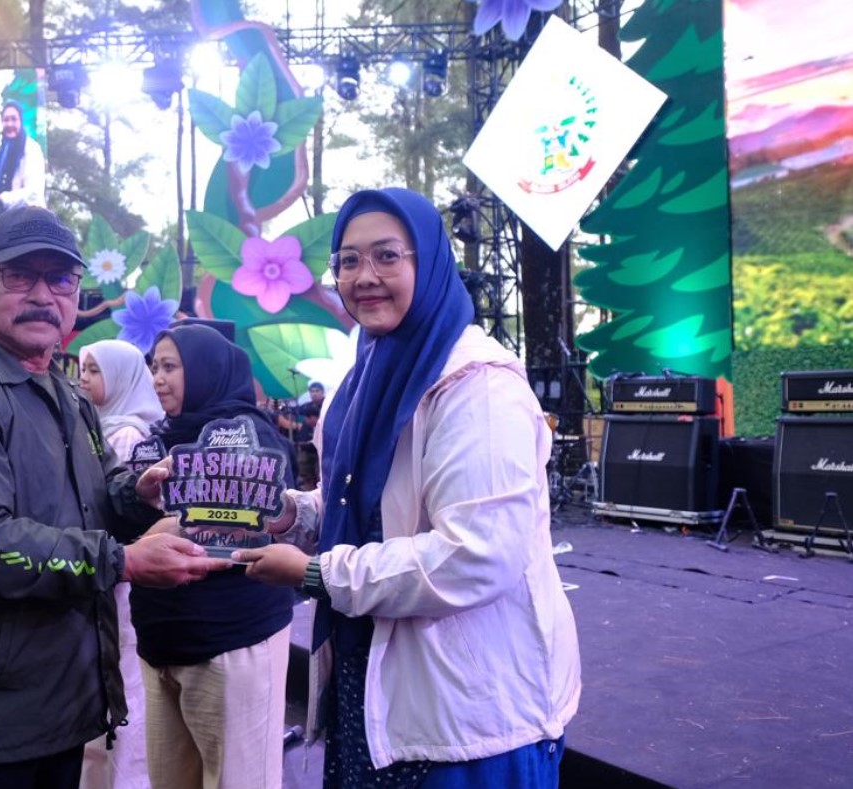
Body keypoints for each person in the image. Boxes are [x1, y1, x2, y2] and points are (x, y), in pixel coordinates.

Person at [234, 188, 582, 786]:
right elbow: (361, 507)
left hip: (468, 717)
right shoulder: (364, 377)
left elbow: (475, 554)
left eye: (387, 256)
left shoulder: (478, 386)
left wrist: (317, 574)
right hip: (374, 687)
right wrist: (290, 515)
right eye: (348, 260)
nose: (364, 276)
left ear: (430, 262)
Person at [0, 205, 228, 789]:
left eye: (61, 279)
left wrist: (138, 495)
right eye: (21, 275)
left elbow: (92, 501)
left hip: (60, 704)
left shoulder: (66, 395)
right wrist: (122, 560)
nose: (43, 295)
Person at [132, 323, 296, 789]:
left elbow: (251, 519)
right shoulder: (161, 438)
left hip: (230, 641)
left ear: (206, 371)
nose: (158, 379)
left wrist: (167, 529)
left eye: (170, 367)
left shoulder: (251, 436)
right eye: (154, 367)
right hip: (161, 643)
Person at [77, 339, 164, 789]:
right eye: (83, 368)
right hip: (100, 567)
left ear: (121, 377)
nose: (83, 378)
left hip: (118, 574)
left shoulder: (126, 435)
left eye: (95, 370)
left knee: (124, 683)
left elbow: (119, 508)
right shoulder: (93, 423)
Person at [0, 101, 46, 215]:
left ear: (21, 121)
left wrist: (2, 199)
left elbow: (33, 193)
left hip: (28, 218)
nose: (9, 124)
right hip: (2, 217)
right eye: (6, 120)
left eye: (14, 119)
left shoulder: (32, 149)